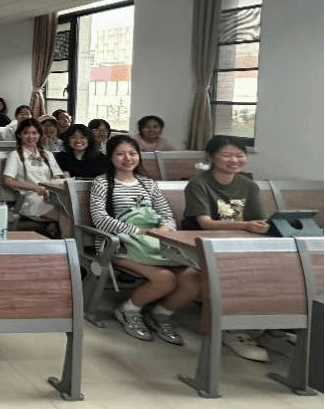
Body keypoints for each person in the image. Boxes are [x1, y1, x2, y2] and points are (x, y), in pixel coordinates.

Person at [91, 135, 195, 346]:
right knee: (165, 278)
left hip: (154, 241)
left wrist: (165, 229)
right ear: (110, 157)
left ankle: (161, 313)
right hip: (120, 245)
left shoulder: (147, 183)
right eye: (120, 154)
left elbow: (165, 213)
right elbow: (100, 219)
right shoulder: (102, 183)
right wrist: (138, 231)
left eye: (132, 153)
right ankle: (128, 310)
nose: (127, 158)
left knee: (194, 277)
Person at [179, 134, 271, 361]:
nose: (234, 160)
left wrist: (260, 227)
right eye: (227, 155)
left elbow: (259, 219)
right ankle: (230, 329)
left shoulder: (249, 186)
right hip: (209, 244)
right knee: (235, 276)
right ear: (210, 157)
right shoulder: (199, 184)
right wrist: (247, 226)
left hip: (242, 245)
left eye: (239, 155)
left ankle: (270, 325)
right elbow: (205, 223)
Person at [2, 119, 72, 238]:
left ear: (40, 135)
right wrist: (34, 188)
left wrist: (55, 182)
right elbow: (7, 180)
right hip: (31, 199)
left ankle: (65, 241)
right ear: (19, 135)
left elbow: (57, 176)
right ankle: (68, 245)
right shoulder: (15, 155)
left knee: (72, 209)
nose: (31, 136)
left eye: (34, 133)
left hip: (51, 196)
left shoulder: (47, 154)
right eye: (26, 133)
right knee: (67, 215)